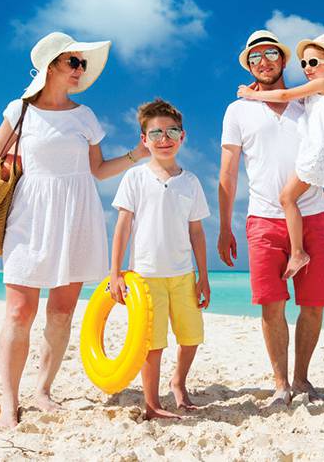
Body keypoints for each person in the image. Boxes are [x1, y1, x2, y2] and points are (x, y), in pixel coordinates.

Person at [0, 32, 148, 428]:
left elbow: (97, 170)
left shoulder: (85, 117)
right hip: (29, 216)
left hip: (77, 216)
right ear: (52, 66)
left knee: (61, 312)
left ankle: (42, 390)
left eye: (82, 64)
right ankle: (9, 402)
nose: (80, 70)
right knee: (20, 312)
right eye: (73, 62)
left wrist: (135, 156)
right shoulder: (20, 111)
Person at [218, 30, 324, 405]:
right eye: (254, 57)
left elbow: (317, 164)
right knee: (272, 304)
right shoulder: (238, 109)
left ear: (283, 60)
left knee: (314, 303)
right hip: (264, 219)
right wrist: (224, 227)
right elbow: (228, 171)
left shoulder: (310, 103)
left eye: (270, 54)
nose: (263, 62)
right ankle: (281, 383)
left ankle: (302, 378)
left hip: (312, 215)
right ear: (249, 64)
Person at [109, 99, 211, 419]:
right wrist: (116, 273)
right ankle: (152, 403)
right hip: (146, 275)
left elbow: (197, 232)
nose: (164, 139)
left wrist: (203, 276)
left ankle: (178, 383)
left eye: (171, 132)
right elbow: (123, 227)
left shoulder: (191, 182)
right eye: (156, 134)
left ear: (182, 136)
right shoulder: (135, 179)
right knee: (152, 343)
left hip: (182, 274)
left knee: (192, 336)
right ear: (144, 140)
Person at [237, 33, 324, 279]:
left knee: (287, 197)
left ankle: (298, 252)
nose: (307, 68)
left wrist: (252, 94)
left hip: (319, 147)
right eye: (303, 64)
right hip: (318, 146)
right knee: (306, 185)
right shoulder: (316, 91)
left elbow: (284, 96)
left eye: (313, 63)